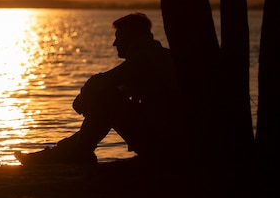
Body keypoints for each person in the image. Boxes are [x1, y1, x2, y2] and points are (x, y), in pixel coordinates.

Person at [14, 12, 181, 167]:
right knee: (106, 100)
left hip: (163, 146)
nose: (115, 43)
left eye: (118, 37)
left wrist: (83, 99)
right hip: (165, 140)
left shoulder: (145, 59)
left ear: (131, 36)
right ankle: (69, 151)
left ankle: (72, 153)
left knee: (106, 98)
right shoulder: (158, 55)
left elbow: (98, 83)